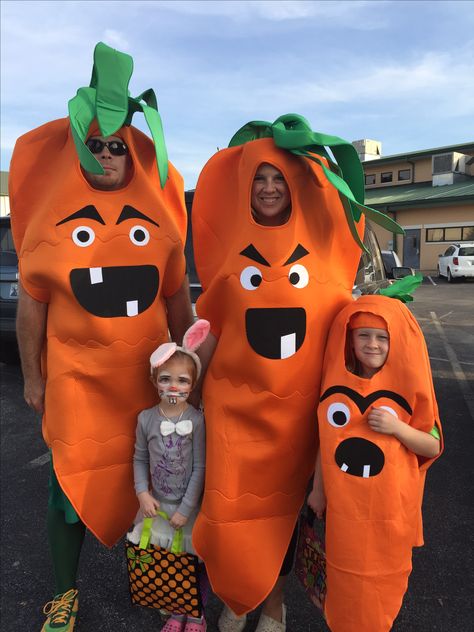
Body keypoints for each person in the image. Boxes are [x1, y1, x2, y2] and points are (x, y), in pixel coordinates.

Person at [190, 114, 403, 632]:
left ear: (296, 187)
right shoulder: (231, 251)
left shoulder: (327, 255)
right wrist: (187, 395)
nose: (267, 188)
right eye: (260, 179)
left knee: (282, 518)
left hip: (295, 413)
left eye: (279, 179)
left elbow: (342, 331)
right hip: (233, 409)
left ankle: (272, 605)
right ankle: (236, 595)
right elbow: (215, 327)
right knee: (226, 510)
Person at [10, 43, 194, 632]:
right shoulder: (52, 220)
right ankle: (65, 594)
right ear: (78, 146)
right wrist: (35, 379)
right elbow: (32, 308)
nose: (110, 154)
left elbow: (176, 298)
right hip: (79, 385)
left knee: (159, 484)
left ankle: (164, 595)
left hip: (148, 385)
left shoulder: (159, 215)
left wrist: (195, 366)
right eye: (97, 143)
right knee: (70, 489)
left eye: (119, 145)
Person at [308, 294, 443, 631]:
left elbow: (432, 444)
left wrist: (397, 427)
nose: (372, 344)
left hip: (389, 510)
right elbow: (325, 442)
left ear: (395, 342)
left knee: (382, 584)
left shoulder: (409, 387)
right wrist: (317, 490)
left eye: (382, 337)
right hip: (346, 511)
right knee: (345, 579)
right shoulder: (334, 381)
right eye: (363, 335)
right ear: (349, 339)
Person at [127, 319, 209, 632]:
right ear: (154, 381)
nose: (174, 387)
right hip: (157, 506)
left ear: (193, 384)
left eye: (182, 380)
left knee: (193, 561)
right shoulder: (145, 419)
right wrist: (142, 493)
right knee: (170, 561)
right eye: (166, 379)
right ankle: (178, 612)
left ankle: (197, 613)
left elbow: (200, 466)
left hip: (187, 509)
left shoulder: (198, 422)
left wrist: (187, 509)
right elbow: (139, 458)